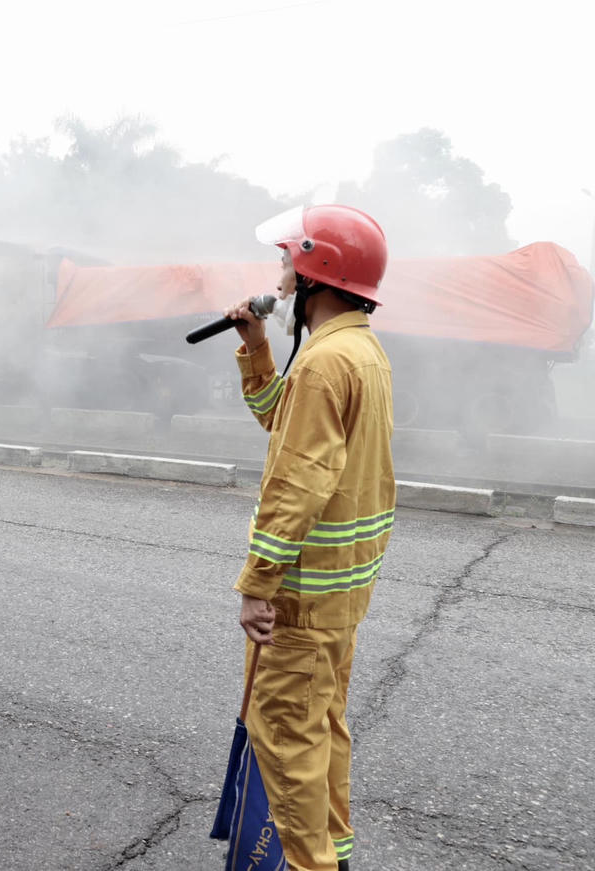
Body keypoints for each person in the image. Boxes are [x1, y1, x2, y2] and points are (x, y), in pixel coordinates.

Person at [224, 204, 395, 871]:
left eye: (288, 257)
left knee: (287, 741)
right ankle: (335, 855)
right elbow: (285, 423)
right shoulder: (358, 351)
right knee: (321, 730)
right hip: (339, 596)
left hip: (300, 599)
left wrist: (257, 585)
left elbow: (297, 483)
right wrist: (257, 347)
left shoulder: (328, 363)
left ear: (316, 268)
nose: (280, 270)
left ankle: (311, 864)